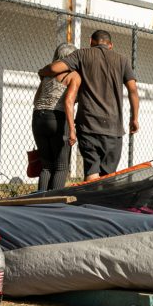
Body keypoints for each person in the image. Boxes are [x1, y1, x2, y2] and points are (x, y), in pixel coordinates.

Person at [39, 30, 139, 181]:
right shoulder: (123, 60)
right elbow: (133, 90)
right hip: (113, 128)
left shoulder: (82, 54)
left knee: (91, 170)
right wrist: (134, 118)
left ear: (91, 41)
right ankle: (102, 203)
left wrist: (42, 71)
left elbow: (54, 68)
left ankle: (88, 202)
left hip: (88, 125)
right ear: (110, 45)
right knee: (108, 175)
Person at [31, 43, 80, 191]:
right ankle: (54, 205)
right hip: (57, 118)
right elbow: (68, 102)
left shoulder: (47, 75)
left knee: (46, 166)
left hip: (38, 117)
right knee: (61, 166)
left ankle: (39, 202)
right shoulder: (73, 75)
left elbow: (36, 100)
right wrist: (72, 129)